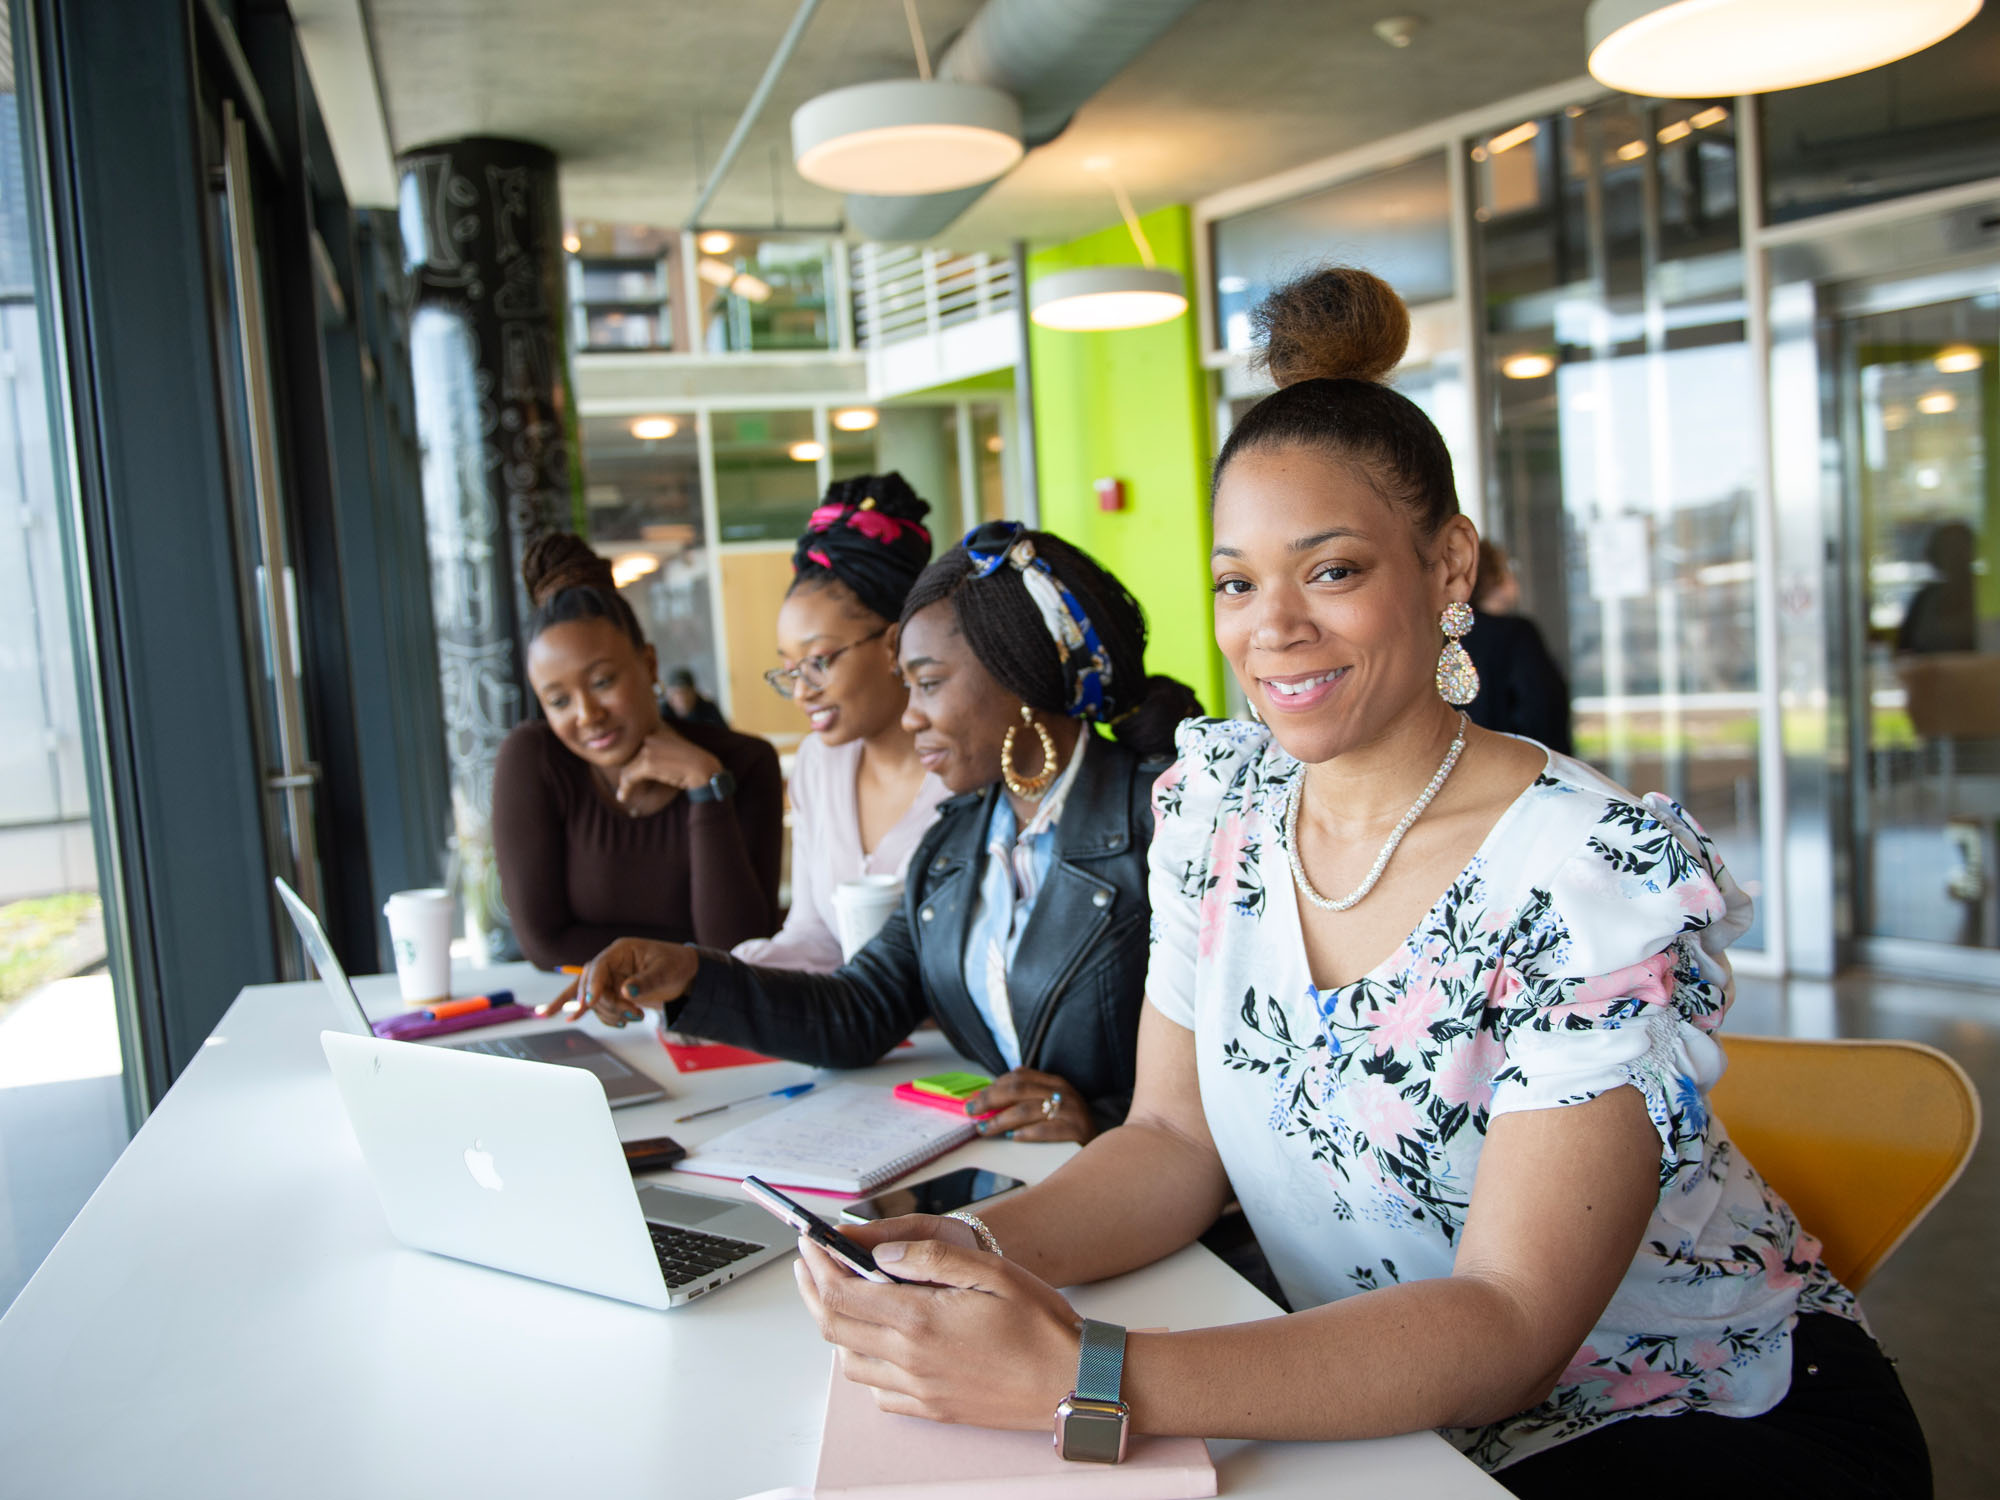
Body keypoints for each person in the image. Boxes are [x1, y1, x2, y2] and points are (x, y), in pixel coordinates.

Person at [782, 270, 1929, 1497]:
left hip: (1672, 1417)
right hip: (1374, 1410)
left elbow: (1504, 1322)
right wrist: (959, 1251)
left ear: (1446, 567)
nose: (1270, 626)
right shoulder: (1213, 808)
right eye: (1235, 581)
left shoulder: (1590, 875)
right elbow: (1169, 1142)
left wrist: (1088, 1376)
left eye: (1328, 571)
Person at [548, 523, 1205, 1142]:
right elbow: (859, 1010)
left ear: (1020, 676)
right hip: (1035, 1174)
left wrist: (1103, 1118)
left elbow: (1245, 1054)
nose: (912, 716)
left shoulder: (1166, 824)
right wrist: (692, 975)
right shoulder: (954, 848)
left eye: (927, 684)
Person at [491, 535, 784, 968]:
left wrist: (706, 789)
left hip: (705, 1024)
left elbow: (737, 949)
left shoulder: (745, 763)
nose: (587, 715)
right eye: (559, 701)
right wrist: (685, 955)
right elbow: (544, 943)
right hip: (580, 1018)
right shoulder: (535, 760)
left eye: (602, 682)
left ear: (648, 664)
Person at [733, 473, 951, 972]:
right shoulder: (819, 762)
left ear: (895, 644)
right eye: (789, 668)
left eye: (819, 660)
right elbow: (815, 939)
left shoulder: (968, 769)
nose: (802, 690)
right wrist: (713, 980)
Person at [1460, 539, 1573, 755]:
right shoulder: (1516, 634)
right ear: (1492, 576)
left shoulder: (1444, 636)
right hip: (1516, 765)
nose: (1513, 579)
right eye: (1506, 569)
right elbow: (1542, 710)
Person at [1897, 520, 1978, 655]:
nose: (1953, 558)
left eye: (1958, 551)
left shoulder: (1987, 596)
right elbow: (1904, 650)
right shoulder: (1925, 599)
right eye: (1947, 551)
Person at [662, 667, 729, 727]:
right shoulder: (662, 714)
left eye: (686, 691)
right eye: (677, 693)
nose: (682, 698)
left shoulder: (709, 710)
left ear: (694, 692)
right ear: (669, 695)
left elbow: (725, 734)